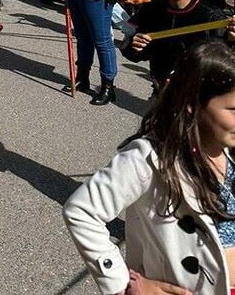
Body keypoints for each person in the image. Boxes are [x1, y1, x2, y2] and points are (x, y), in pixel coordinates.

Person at [63, 38, 235, 295]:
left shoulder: (227, 149)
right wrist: (121, 286)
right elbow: (81, 211)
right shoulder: (149, 157)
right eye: (233, 109)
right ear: (193, 105)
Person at [122, 0, 228, 93]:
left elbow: (223, 64)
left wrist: (231, 40)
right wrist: (134, 46)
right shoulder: (151, 11)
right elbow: (135, 52)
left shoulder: (211, 17)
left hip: (197, 95)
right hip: (161, 91)